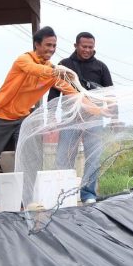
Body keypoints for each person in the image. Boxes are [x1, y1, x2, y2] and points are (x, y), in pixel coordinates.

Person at [0, 26, 78, 215]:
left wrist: (97, 106)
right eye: (47, 45)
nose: (51, 49)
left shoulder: (52, 71)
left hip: (22, 119)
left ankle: (26, 202)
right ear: (37, 44)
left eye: (54, 46)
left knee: (31, 157)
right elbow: (35, 70)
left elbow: (71, 91)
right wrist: (58, 71)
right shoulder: (24, 60)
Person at [47, 32, 114, 204]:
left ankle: (88, 194)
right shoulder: (64, 65)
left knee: (93, 157)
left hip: (94, 118)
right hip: (70, 117)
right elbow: (54, 93)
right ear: (76, 45)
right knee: (64, 157)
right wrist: (52, 116)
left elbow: (110, 94)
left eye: (90, 47)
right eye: (84, 46)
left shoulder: (101, 67)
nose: (87, 50)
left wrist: (114, 115)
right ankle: (64, 194)